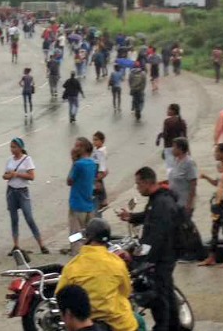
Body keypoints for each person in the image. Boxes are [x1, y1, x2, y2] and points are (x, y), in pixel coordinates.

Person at [118, 167, 180, 331]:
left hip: (162, 257)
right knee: (167, 292)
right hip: (166, 254)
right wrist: (131, 217)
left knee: (160, 297)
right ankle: (175, 325)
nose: (137, 188)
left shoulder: (161, 203)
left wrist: (137, 258)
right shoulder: (157, 199)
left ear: (146, 182)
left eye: (138, 184)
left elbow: (154, 239)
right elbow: (148, 216)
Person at [56, 219, 139, 331]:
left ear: (88, 237)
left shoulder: (72, 267)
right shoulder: (117, 262)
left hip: (88, 324)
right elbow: (126, 291)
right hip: (122, 325)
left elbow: (61, 296)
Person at [2, 138, 49, 255]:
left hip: (23, 192)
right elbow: (4, 175)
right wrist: (8, 175)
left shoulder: (27, 159)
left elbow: (32, 176)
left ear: (21, 148)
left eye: (15, 147)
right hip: (11, 191)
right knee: (14, 219)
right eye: (11, 147)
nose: (12, 149)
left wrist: (17, 174)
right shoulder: (9, 160)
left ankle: (41, 244)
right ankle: (16, 245)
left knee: (29, 218)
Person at [66, 138, 97, 255]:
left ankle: (77, 256)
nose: (74, 149)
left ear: (83, 148)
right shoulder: (92, 164)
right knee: (88, 235)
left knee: (75, 235)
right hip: (89, 204)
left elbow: (69, 181)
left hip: (77, 204)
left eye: (77, 146)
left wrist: (73, 162)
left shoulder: (78, 164)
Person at [159, 104, 187, 174]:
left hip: (168, 148)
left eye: (169, 109)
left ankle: (173, 183)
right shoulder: (182, 121)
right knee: (179, 168)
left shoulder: (167, 121)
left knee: (170, 169)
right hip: (180, 148)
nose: (167, 111)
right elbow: (185, 137)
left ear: (173, 111)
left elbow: (165, 135)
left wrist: (160, 135)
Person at [92, 132, 109, 210]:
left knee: (99, 182)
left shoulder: (101, 151)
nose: (94, 142)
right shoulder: (97, 149)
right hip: (95, 167)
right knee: (100, 183)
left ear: (102, 141)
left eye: (96, 140)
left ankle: (102, 200)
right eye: (93, 140)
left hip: (98, 169)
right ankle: (102, 199)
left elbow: (102, 161)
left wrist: (101, 171)